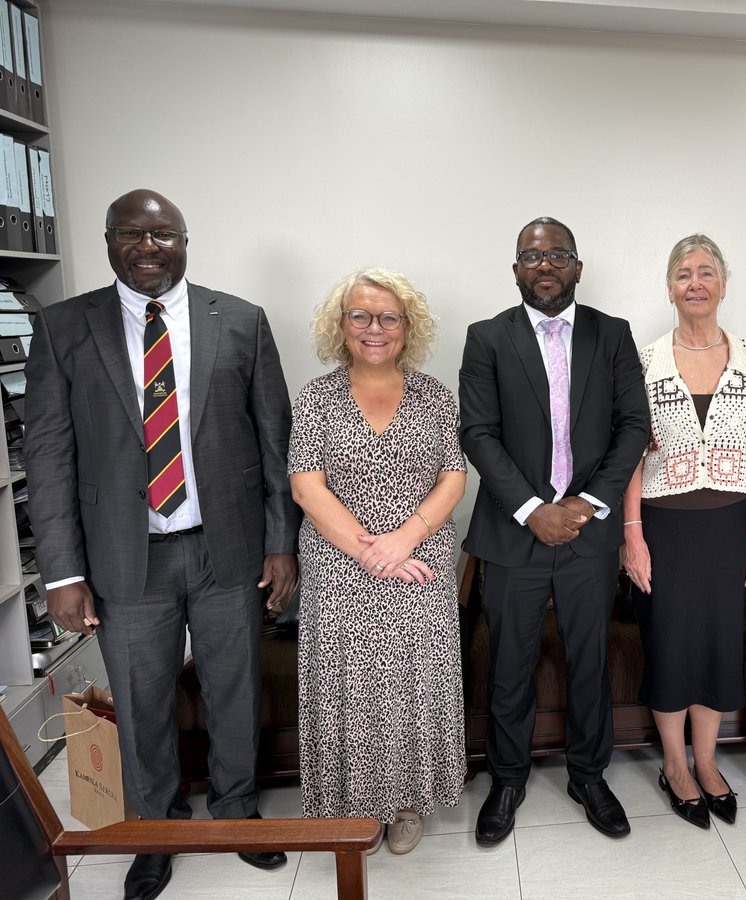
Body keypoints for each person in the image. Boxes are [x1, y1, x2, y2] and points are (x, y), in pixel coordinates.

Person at [24, 189, 300, 900]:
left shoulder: (239, 319)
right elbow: (49, 457)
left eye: (163, 235)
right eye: (131, 234)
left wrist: (281, 543)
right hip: (125, 556)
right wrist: (61, 573)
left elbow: (275, 442)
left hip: (227, 547)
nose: (148, 248)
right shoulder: (62, 328)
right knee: (142, 700)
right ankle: (157, 827)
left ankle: (235, 813)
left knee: (234, 685)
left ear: (185, 241)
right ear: (110, 240)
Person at [459, 216, 650, 845]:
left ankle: (588, 774)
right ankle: (507, 779)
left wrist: (589, 503)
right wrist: (532, 508)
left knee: (588, 658)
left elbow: (632, 427)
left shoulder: (612, 335)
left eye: (559, 255)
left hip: (589, 530)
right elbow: (477, 432)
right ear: (515, 269)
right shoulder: (487, 337)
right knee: (509, 661)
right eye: (532, 257)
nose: (546, 266)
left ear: (578, 266)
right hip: (513, 530)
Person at [289, 267, 467, 854]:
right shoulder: (316, 396)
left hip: (419, 563)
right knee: (350, 688)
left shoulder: (435, 395)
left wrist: (405, 539)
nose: (374, 328)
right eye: (360, 315)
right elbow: (306, 487)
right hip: (340, 566)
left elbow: (453, 477)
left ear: (406, 327)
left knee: (414, 686)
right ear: (340, 326)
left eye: (388, 317)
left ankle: (406, 802)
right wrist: (373, 548)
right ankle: (352, 805)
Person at [623, 234, 746, 830]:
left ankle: (708, 764)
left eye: (706, 272)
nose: (696, 282)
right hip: (663, 524)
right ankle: (676, 767)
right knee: (669, 643)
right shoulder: (646, 359)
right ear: (669, 287)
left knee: (716, 645)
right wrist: (631, 534)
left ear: (724, 284)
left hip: (730, 525)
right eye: (684, 273)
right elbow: (629, 453)